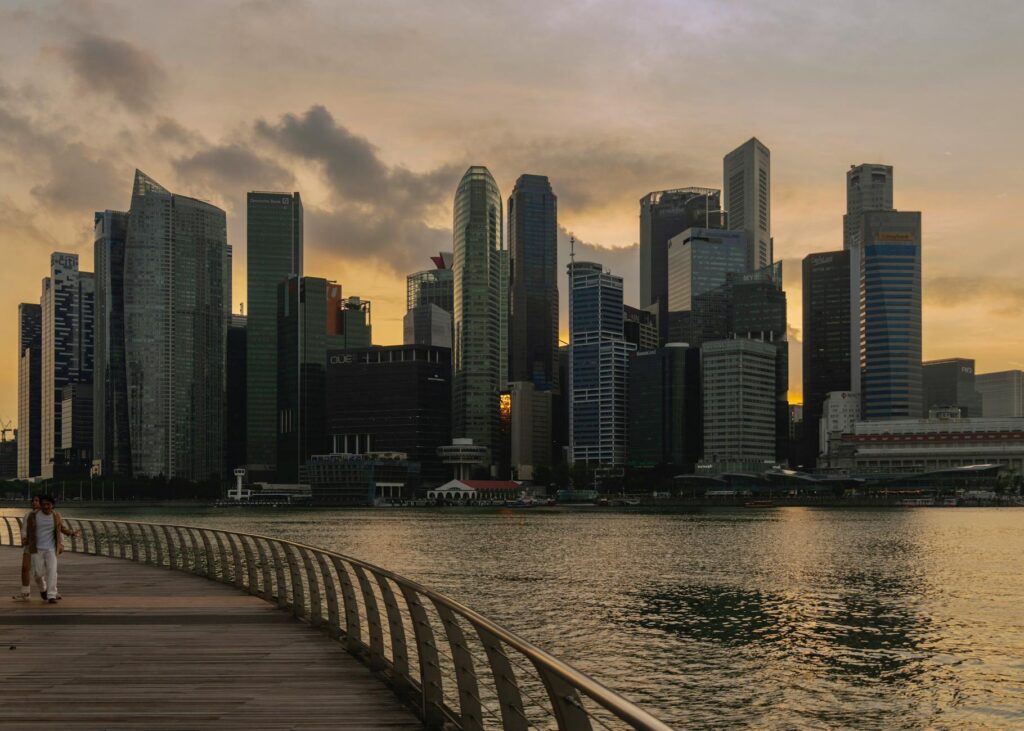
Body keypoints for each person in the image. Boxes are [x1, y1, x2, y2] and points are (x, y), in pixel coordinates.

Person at [23, 495, 80, 604]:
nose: (45, 506)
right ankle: (43, 589)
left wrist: (72, 533)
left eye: (48, 504)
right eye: (43, 504)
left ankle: (51, 595)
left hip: (51, 548)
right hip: (36, 548)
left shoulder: (56, 516)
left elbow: (61, 528)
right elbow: (27, 529)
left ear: (52, 505)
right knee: (37, 574)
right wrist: (25, 539)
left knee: (52, 571)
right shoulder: (33, 516)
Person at [12, 495, 44, 602]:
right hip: (29, 545)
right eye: (33, 501)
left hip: (43, 546)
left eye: (37, 501)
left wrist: (61, 543)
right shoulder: (28, 515)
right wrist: (24, 538)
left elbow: (55, 529)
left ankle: (49, 591)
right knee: (25, 568)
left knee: (40, 571)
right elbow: (24, 529)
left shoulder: (48, 515)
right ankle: (25, 593)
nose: (34, 503)